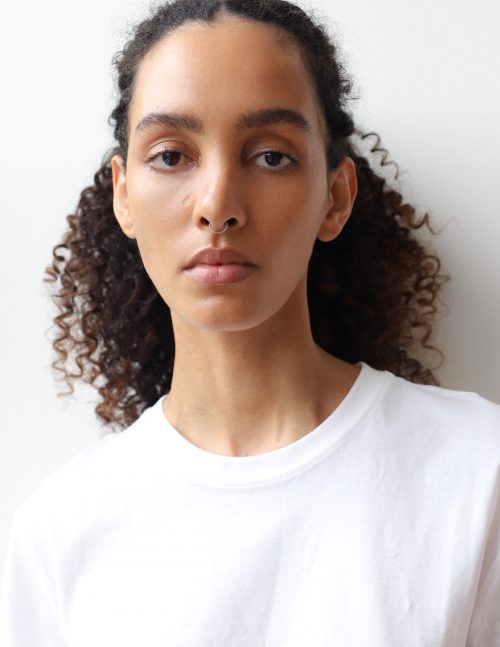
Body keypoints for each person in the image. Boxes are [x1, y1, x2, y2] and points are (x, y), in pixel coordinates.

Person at [1, 0, 499, 645]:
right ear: (124, 195)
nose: (218, 205)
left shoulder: (478, 473)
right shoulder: (57, 537)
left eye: (270, 156)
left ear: (336, 197)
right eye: (171, 156)